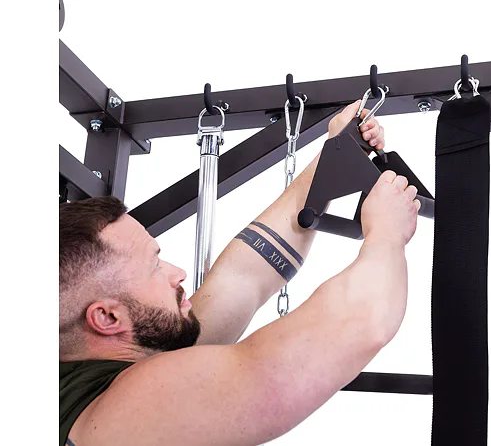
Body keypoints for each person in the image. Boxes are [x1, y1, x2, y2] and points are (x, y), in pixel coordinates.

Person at [59, 101, 422, 446]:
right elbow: (359, 324)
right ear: (107, 318)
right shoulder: (128, 408)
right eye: (154, 267)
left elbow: (245, 277)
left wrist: (335, 153)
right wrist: (387, 234)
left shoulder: (112, 367)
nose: (177, 273)